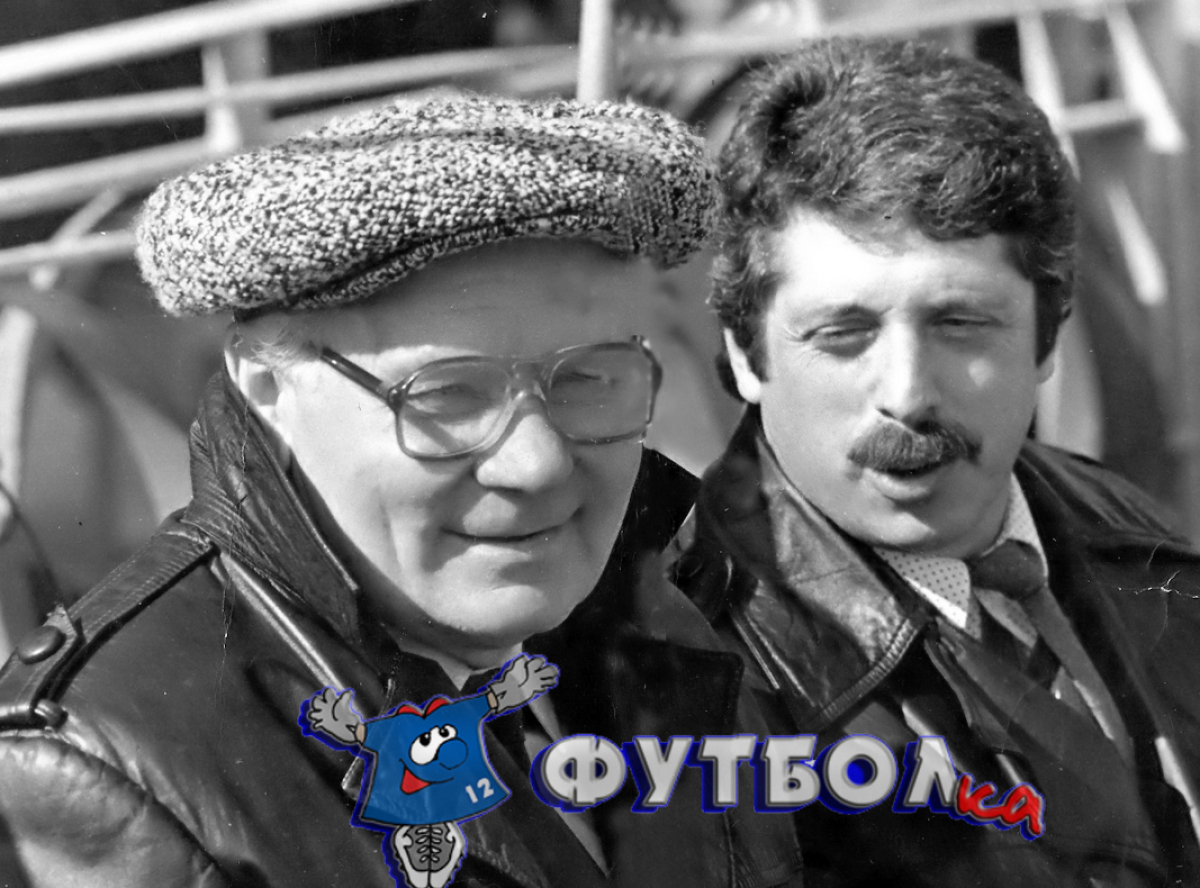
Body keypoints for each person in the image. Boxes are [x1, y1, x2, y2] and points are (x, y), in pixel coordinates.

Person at [0, 96, 802, 888]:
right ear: (265, 385)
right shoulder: (113, 772)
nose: (537, 464)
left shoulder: (704, 599)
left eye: (589, 379)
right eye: (447, 397)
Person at [674, 37, 1200, 888]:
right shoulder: (679, 675)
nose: (908, 394)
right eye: (843, 334)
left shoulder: (1138, 537)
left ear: (1047, 340)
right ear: (745, 351)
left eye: (960, 324)